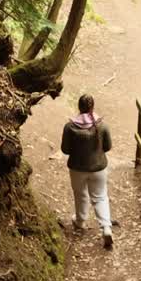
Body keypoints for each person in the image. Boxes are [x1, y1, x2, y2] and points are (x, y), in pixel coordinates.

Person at [61, 94, 114, 249]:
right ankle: (106, 227)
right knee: (100, 197)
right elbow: (108, 147)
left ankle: (80, 221)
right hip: (99, 168)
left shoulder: (70, 127)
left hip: (77, 169)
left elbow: (65, 149)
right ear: (92, 107)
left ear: (79, 107)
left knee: (80, 194)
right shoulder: (102, 126)